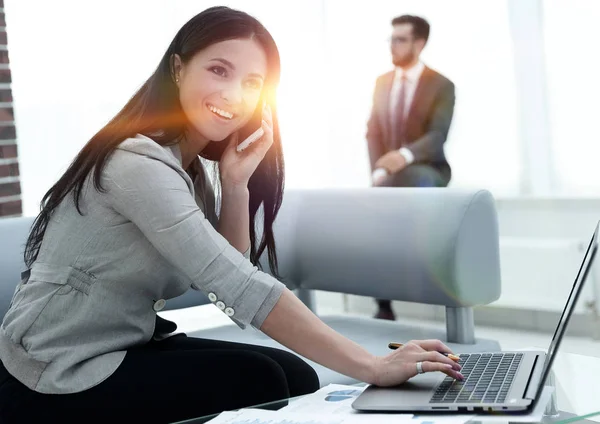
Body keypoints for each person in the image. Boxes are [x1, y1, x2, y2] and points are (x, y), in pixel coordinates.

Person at [0, 7, 462, 423]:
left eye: (252, 83)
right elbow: (235, 284)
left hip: (123, 344)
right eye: (219, 70)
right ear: (178, 69)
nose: (234, 94)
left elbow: (224, 270)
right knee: (265, 381)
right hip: (54, 369)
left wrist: (235, 184)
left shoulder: (191, 170)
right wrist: (371, 365)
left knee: (293, 374)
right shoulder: (136, 163)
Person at [367, 15, 456, 321]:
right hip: (389, 176)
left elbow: (437, 135)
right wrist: (378, 170)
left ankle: (441, 288)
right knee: (373, 213)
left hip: (425, 170)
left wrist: (403, 156)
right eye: (391, 38)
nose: (393, 45)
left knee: (412, 182)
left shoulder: (441, 85)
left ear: (419, 43)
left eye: (400, 39)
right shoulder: (381, 83)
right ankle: (383, 304)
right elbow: (373, 131)